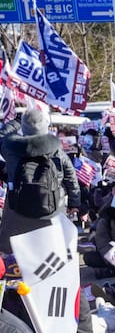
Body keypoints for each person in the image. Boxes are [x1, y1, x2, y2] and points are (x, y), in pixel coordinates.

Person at [0, 108, 81, 252]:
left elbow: (1, 134)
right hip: (53, 207)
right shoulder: (56, 150)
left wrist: (17, 121)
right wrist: (74, 202)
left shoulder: (11, 149)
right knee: (52, 251)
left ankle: (14, 270)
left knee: (14, 250)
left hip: (17, 207)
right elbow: (70, 176)